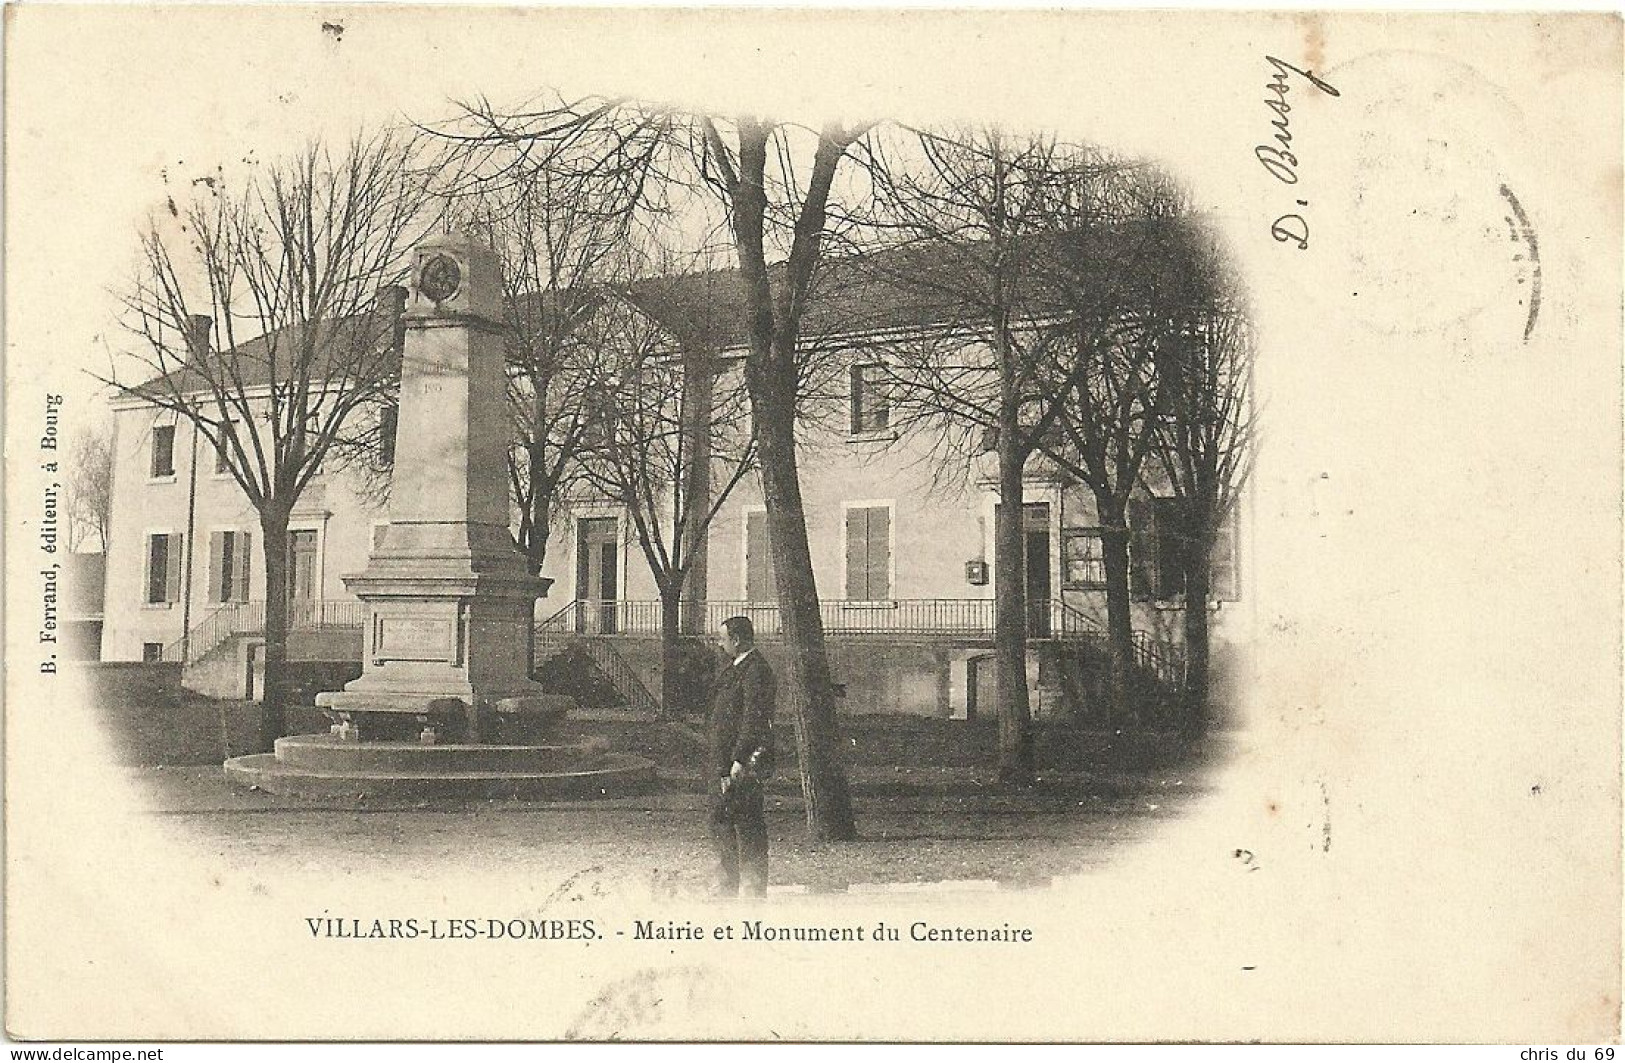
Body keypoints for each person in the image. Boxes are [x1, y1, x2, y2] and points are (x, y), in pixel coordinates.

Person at [706, 615, 776, 897]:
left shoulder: (756, 671)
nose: (720, 644)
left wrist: (738, 759)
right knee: (722, 820)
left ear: (736, 640)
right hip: (724, 761)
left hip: (742, 763)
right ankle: (727, 886)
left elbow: (753, 720)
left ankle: (752, 889)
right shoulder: (736, 668)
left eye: (722, 639)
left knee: (747, 824)